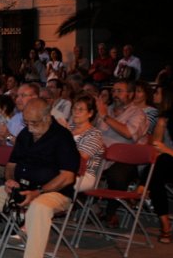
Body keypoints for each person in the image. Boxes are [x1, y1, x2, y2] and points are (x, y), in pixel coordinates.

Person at [0, 98, 80, 258]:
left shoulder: (62, 137)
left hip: (54, 193)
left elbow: (67, 177)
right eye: (26, 122)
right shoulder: (25, 134)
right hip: (22, 188)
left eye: (33, 123)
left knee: (39, 207)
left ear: (46, 118)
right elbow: (11, 164)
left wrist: (38, 192)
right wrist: (10, 180)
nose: (29, 127)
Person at [96, 80, 148, 227]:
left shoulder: (138, 114)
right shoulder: (107, 109)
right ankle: (92, 207)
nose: (115, 94)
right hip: (100, 156)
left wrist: (105, 117)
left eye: (120, 91)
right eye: (114, 91)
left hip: (127, 160)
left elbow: (128, 133)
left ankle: (111, 212)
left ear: (130, 94)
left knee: (116, 174)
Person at [144, 84, 173, 244]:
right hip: (164, 165)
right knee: (157, 167)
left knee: (157, 167)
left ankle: (141, 188)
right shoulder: (161, 118)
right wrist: (161, 125)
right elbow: (155, 147)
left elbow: (161, 148)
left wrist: (166, 150)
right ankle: (165, 223)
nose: (154, 94)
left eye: (157, 92)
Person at [70, 95, 104, 191]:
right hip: (63, 170)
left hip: (84, 174)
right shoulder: (69, 128)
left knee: (53, 180)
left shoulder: (95, 134)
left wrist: (65, 137)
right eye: (74, 109)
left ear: (90, 113)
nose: (76, 112)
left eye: (81, 110)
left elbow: (79, 159)